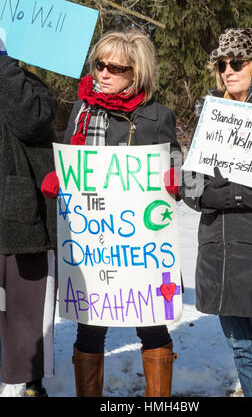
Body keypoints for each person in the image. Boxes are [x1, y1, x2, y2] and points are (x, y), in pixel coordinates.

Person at [41, 28, 181, 397]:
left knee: (152, 325)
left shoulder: (157, 116)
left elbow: (180, 171)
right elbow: (74, 156)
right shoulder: (82, 110)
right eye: (99, 64)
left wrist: (175, 178)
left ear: (136, 73)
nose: (102, 73)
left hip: (141, 246)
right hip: (94, 241)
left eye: (114, 68)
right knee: (89, 327)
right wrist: (60, 176)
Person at [179, 28, 252, 397]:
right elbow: (189, 183)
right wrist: (205, 195)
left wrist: (232, 195)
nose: (227, 70)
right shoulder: (213, 114)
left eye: (237, 62)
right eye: (221, 64)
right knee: (243, 352)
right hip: (219, 252)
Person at [0, 39, 57, 396]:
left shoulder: (24, 83)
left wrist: (2, 66)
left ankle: (22, 386)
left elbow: (32, 119)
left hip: (15, 224)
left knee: (22, 322)